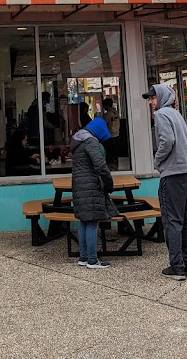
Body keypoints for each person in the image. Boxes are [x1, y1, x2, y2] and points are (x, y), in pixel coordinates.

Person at [144, 84, 187, 280]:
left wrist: (157, 161)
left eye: (152, 98)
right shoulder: (177, 114)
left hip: (173, 174)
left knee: (172, 220)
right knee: (186, 220)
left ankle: (177, 267)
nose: (150, 102)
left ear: (162, 97)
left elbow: (166, 141)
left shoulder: (161, 115)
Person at [70, 115, 117, 269]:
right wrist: (109, 183)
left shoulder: (78, 142)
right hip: (91, 185)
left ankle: (83, 257)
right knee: (92, 222)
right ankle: (92, 260)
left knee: (84, 220)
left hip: (78, 185)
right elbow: (100, 166)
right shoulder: (90, 142)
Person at [100, 97, 121, 167]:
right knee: (115, 153)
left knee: (109, 153)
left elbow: (103, 125)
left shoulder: (107, 115)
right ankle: (116, 164)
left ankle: (111, 166)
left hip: (109, 135)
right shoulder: (116, 113)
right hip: (117, 134)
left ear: (106, 105)